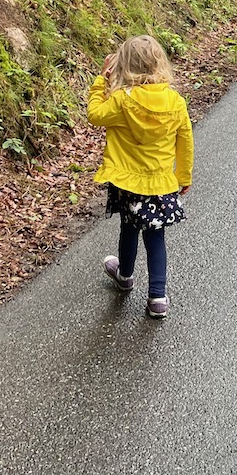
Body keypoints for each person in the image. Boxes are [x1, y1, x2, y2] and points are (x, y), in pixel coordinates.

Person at [88, 34, 193, 318]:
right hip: (161, 182)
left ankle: (125, 276)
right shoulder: (175, 101)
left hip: (128, 182)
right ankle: (158, 298)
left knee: (129, 228)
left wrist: (101, 82)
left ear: (124, 67)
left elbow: (95, 114)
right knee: (156, 235)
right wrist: (183, 176)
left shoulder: (122, 100)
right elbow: (185, 139)